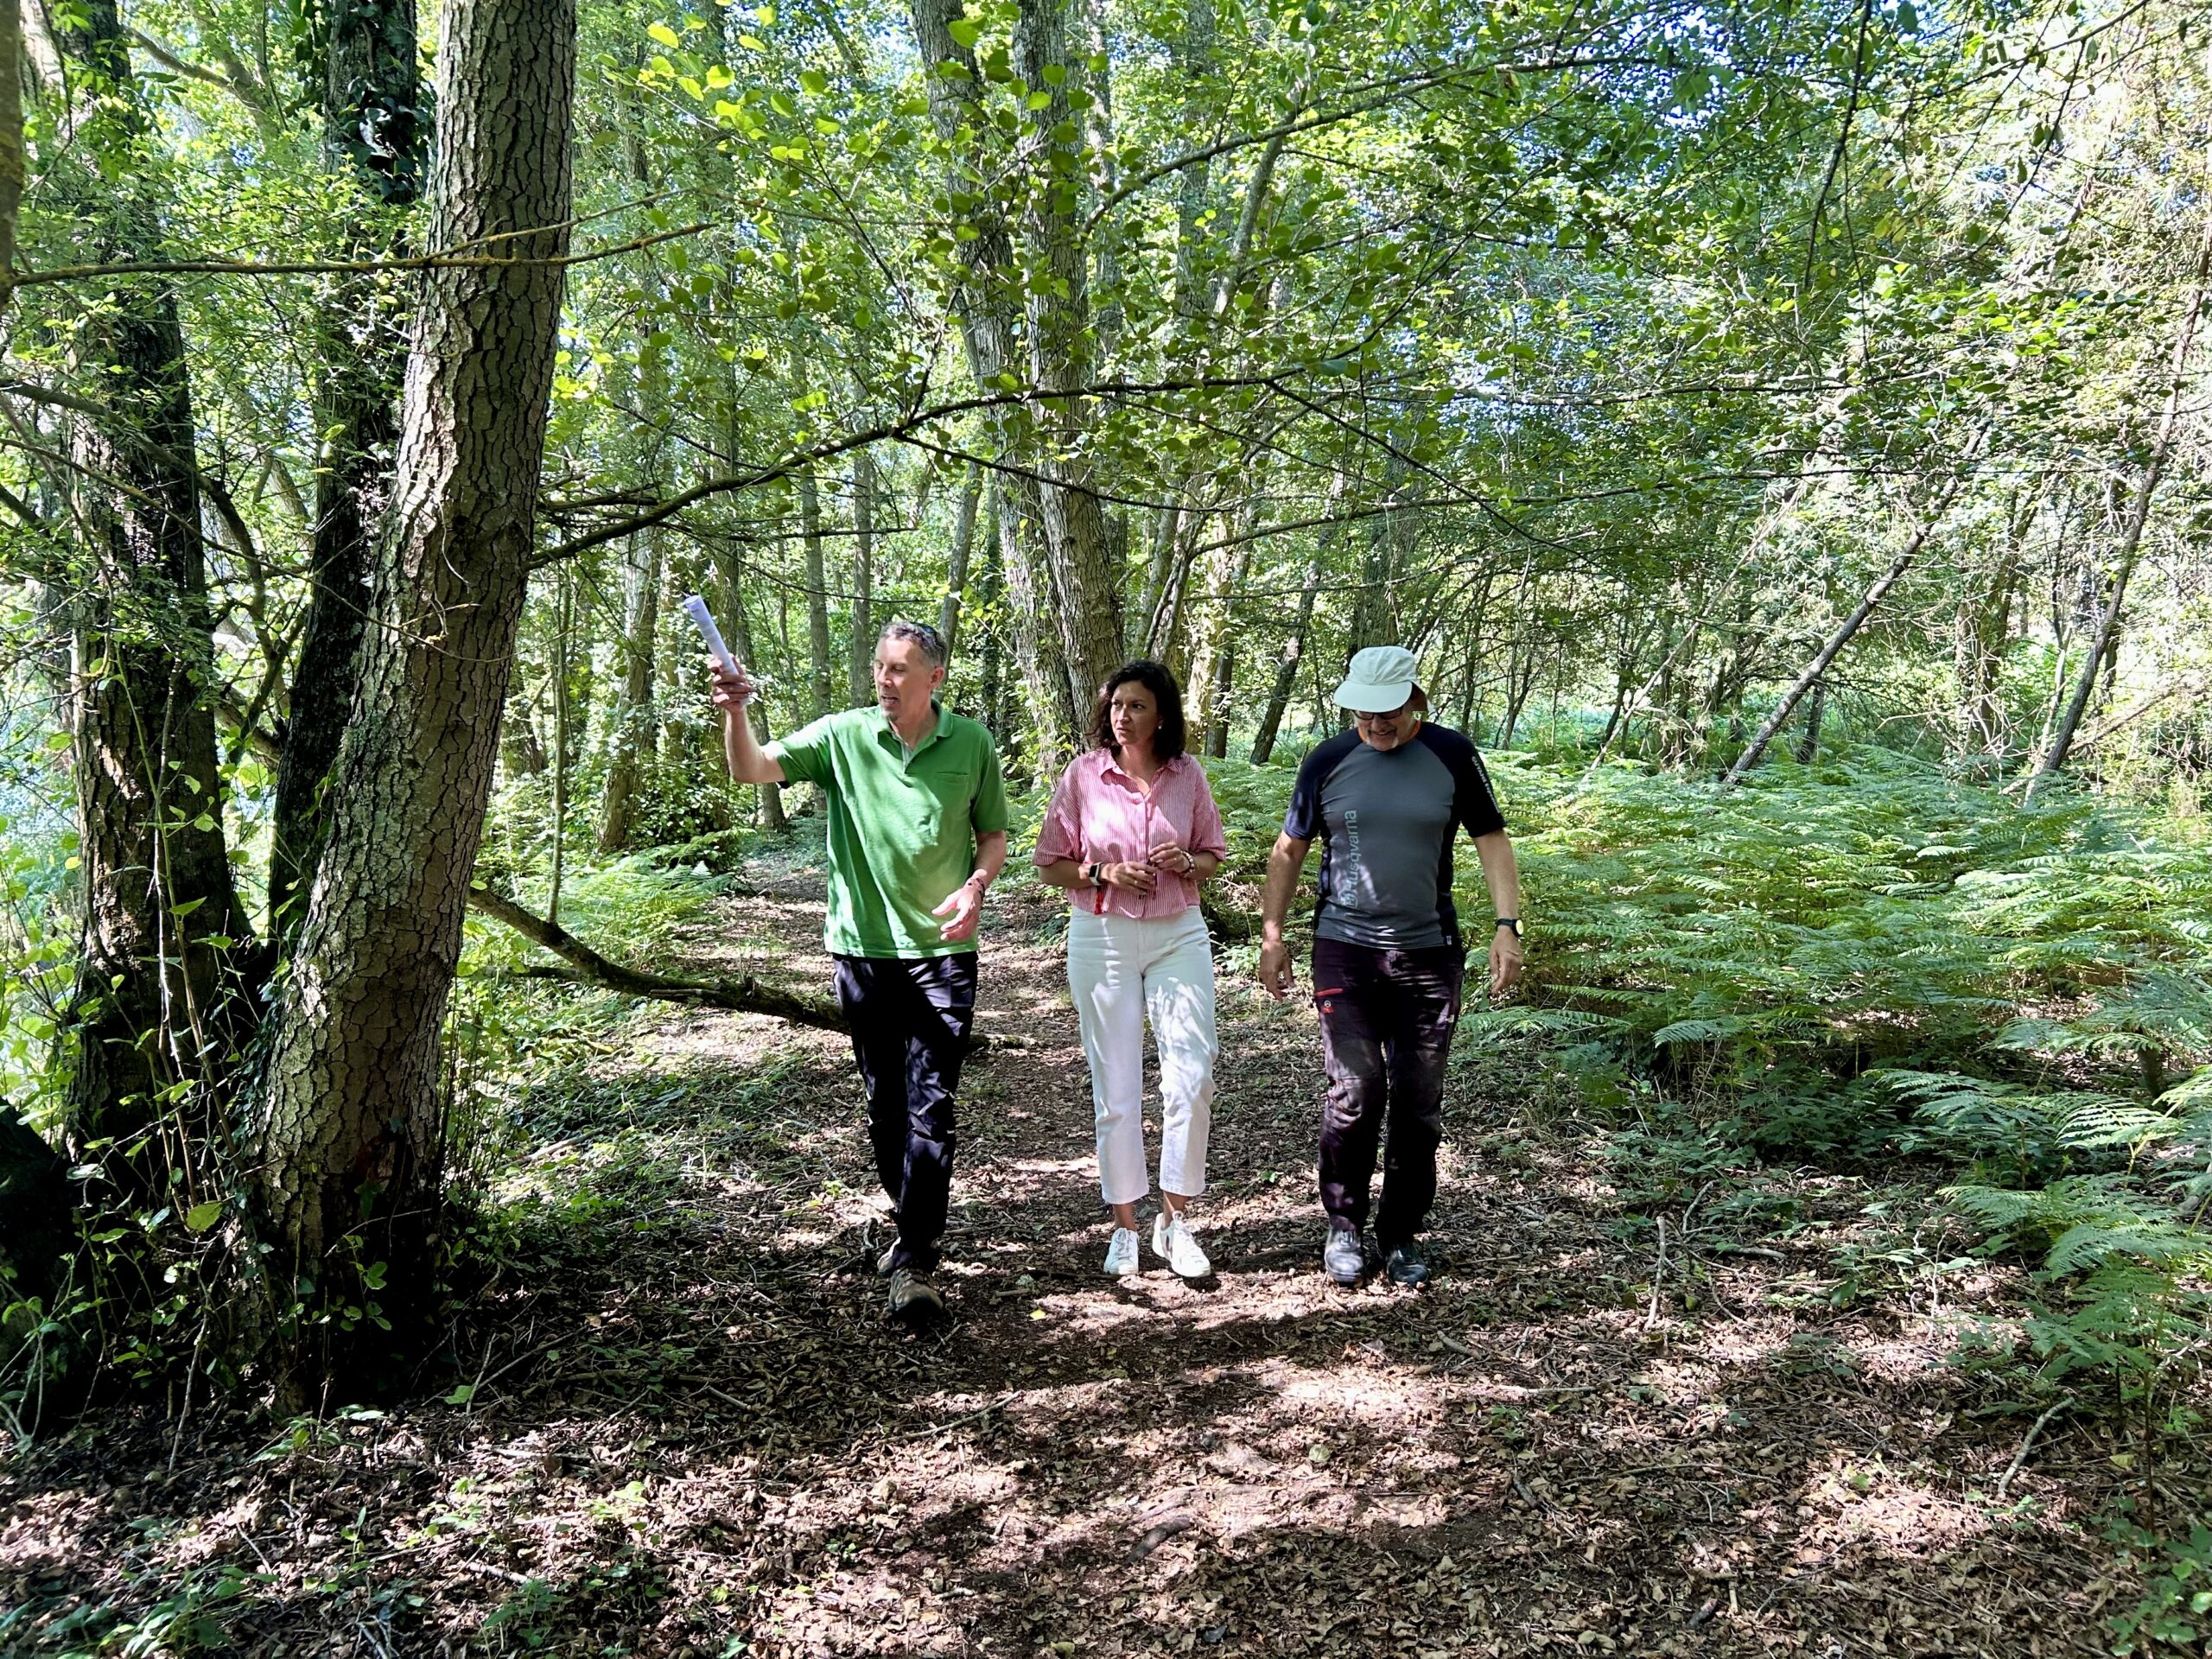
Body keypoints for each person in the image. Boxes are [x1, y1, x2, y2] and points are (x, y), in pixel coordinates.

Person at [711, 620, 1008, 1325]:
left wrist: (975, 886)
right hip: (864, 954)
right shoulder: (843, 736)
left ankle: (915, 1257)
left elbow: (993, 834)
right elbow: (749, 769)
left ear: (935, 678)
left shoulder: (970, 743)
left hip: (944, 954)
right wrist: (736, 712)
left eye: (900, 669)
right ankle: (913, 1232)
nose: (884, 680)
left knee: (932, 1105)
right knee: (886, 1105)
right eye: (880, 667)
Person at [1256, 645, 1523, 1288]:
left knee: (1418, 1099)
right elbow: (1289, 851)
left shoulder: (1452, 755)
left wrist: (1506, 926)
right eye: (1362, 713)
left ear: (1416, 701)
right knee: (1356, 1090)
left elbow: (1492, 841)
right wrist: (1272, 934)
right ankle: (1343, 1224)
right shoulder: (1327, 759)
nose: (1375, 726)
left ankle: (1400, 1232)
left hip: (1428, 952)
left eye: (1388, 713)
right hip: (1344, 946)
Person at [1034, 662, 1228, 1280]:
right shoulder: (1084, 775)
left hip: (1179, 934)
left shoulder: (1187, 773)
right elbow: (1049, 864)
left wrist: (1186, 860)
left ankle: (1173, 1221)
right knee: (1116, 1090)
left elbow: (1213, 855)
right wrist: (1102, 872)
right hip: (1103, 937)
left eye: (1137, 705)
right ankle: (1123, 1228)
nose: (1123, 715)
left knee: (1192, 1076)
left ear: (1161, 714)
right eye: (1116, 704)